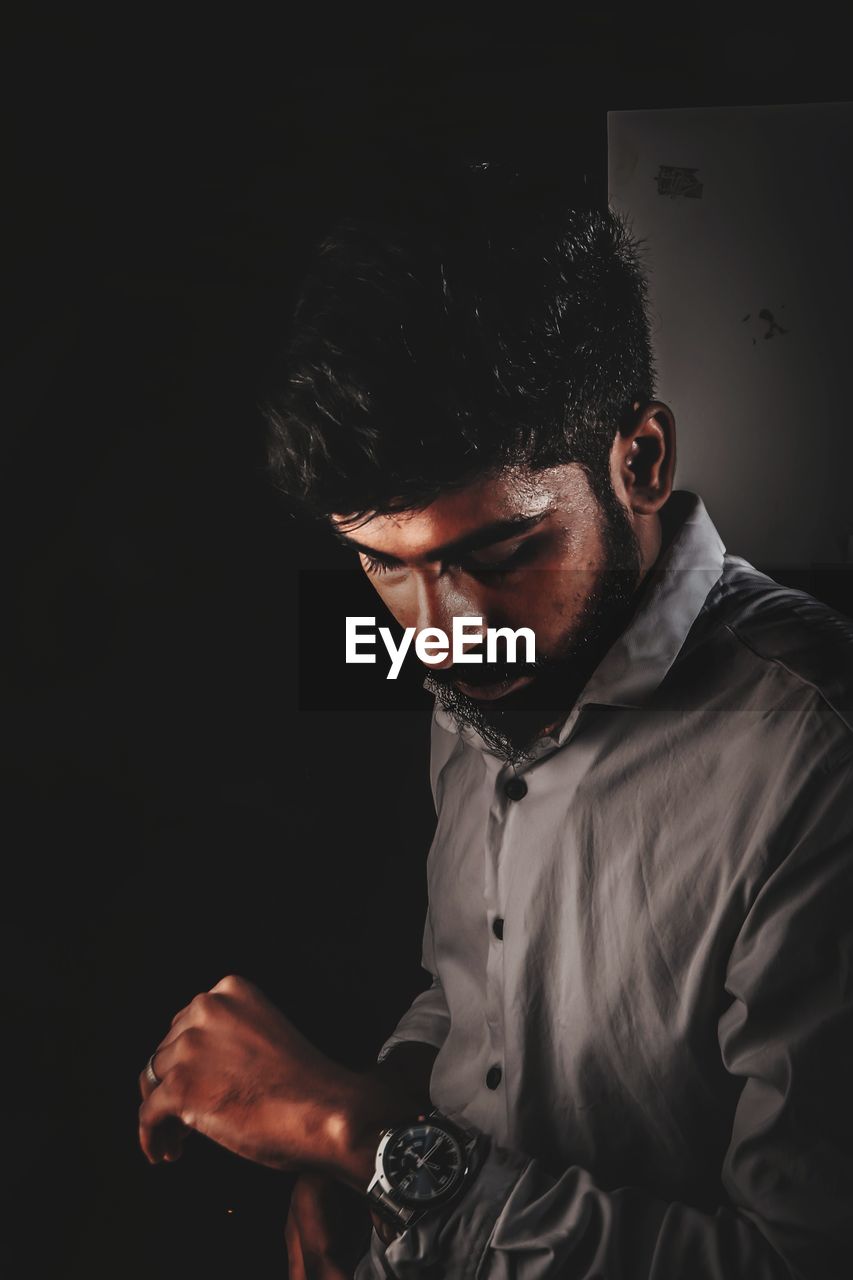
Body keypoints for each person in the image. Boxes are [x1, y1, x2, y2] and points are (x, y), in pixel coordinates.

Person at [138, 166, 853, 1278]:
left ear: (642, 460)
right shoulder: (488, 663)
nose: (443, 630)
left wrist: (361, 1139)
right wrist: (357, 1169)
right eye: (385, 565)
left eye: (501, 552)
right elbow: (466, 997)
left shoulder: (816, 753)